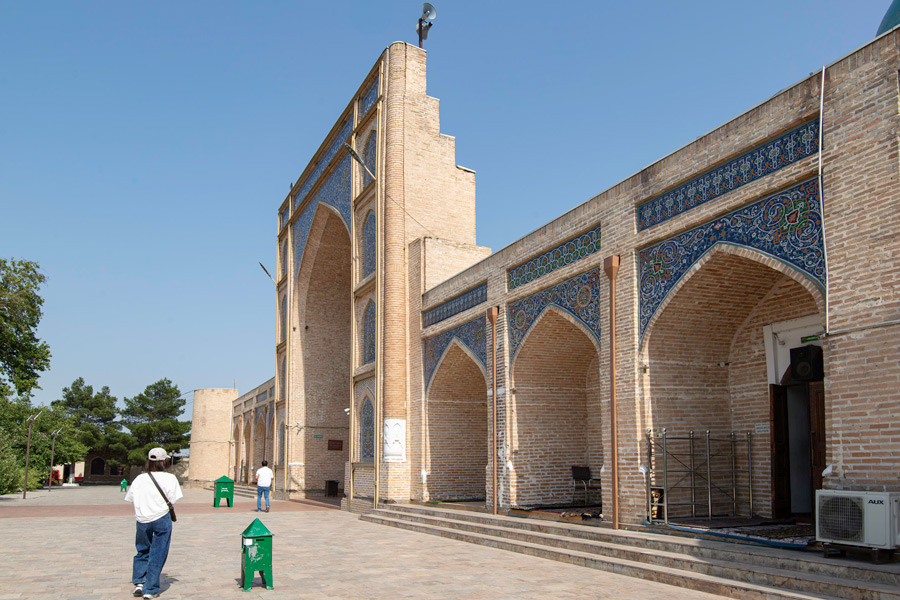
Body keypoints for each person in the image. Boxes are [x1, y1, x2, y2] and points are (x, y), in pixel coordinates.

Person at [124, 448, 183, 599]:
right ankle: (150, 589)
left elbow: (130, 498)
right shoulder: (170, 478)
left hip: (142, 519)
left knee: (142, 550)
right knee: (158, 552)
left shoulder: (139, 479)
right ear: (165, 461)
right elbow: (174, 499)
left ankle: (139, 582)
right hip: (161, 517)